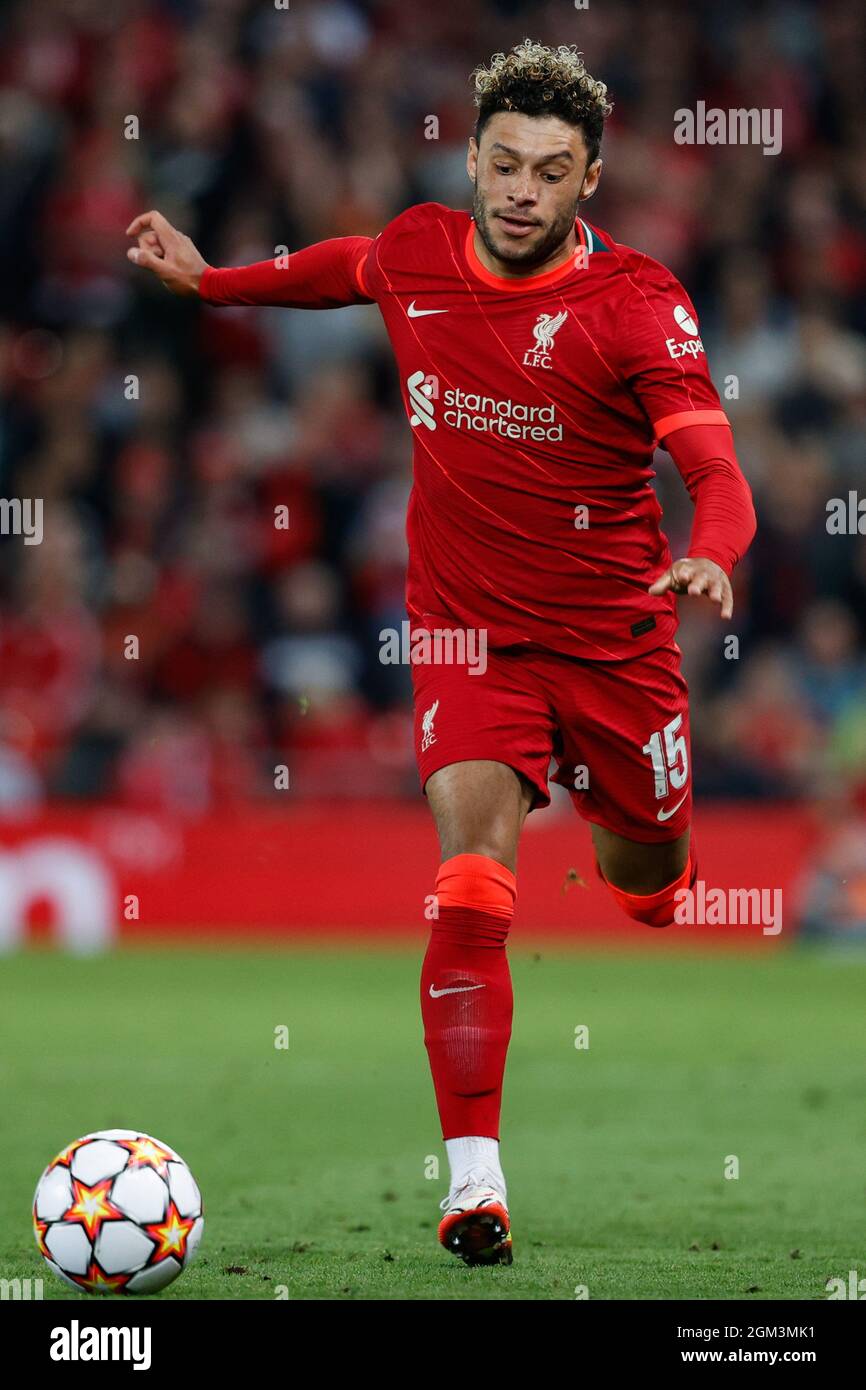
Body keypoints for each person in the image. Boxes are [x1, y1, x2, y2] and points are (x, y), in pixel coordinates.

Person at [127, 39, 756, 1268]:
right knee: (471, 880)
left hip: (616, 644)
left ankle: (649, 859)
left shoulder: (632, 303)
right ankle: (475, 1187)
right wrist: (211, 284)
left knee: (650, 888)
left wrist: (712, 548)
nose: (521, 190)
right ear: (470, 157)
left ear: (589, 184)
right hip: (469, 634)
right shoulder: (420, 247)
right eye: (504, 163)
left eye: (551, 172)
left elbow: (713, 469)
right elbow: (337, 270)